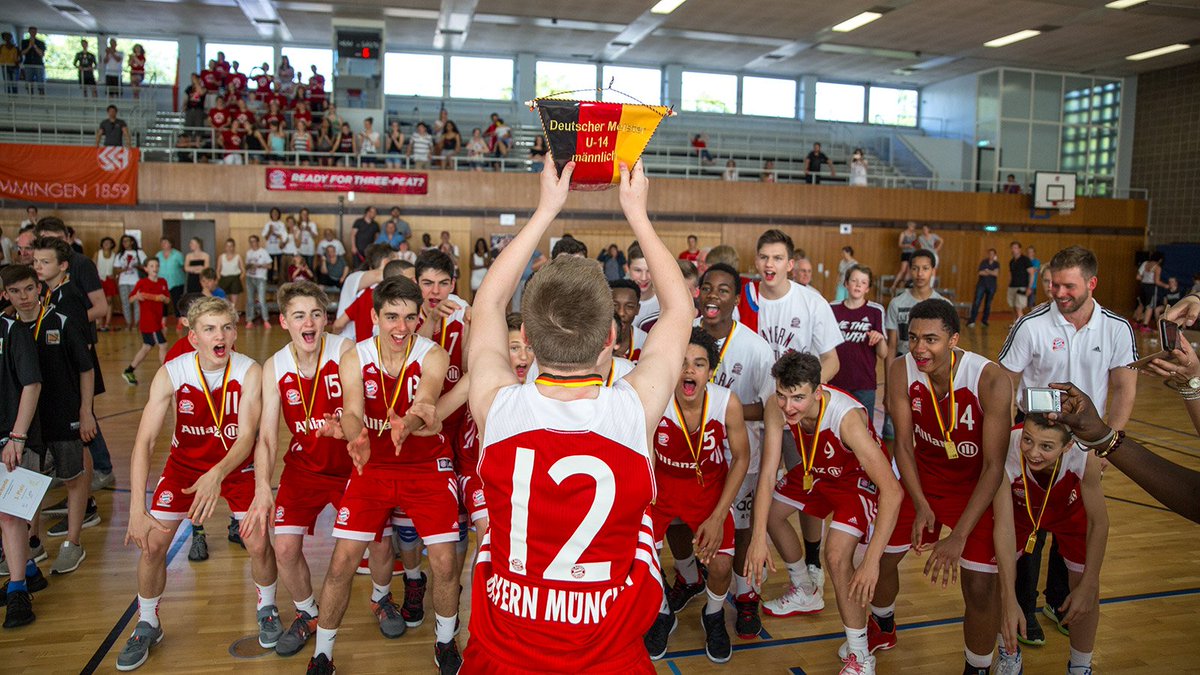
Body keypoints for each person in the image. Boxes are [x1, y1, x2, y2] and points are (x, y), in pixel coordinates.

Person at [459, 158, 691, 674]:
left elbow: (488, 302)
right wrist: (637, 212)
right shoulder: (633, 411)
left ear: (528, 343)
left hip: (502, 651)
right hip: (608, 653)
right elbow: (679, 312)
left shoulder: (498, 407)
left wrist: (546, 209)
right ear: (612, 339)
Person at [304, 276, 459, 674]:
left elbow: (426, 398)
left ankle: (445, 643)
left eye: (410, 317)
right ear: (373, 317)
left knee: (443, 562)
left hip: (424, 465)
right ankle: (323, 653)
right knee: (342, 562)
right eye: (391, 316)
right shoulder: (355, 356)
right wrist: (357, 437)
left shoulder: (433, 354)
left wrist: (405, 422)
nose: (401, 327)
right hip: (373, 463)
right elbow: (353, 409)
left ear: (420, 319)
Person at [119, 298, 273, 672]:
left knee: (258, 539)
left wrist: (216, 474)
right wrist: (135, 509)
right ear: (193, 337)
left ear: (235, 333)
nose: (220, 336)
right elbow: (144, 443)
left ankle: (267, 607)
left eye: (226, 328)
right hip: (184, 468)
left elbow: (246, 437)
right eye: (210, 329)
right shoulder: (173, 372)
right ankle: (148, 622)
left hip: (234, 468)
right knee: (153, 544)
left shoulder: (249, 372)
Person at [872, 299, 1022, 674]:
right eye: (913, 338)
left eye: (931, 339)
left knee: (979, 589)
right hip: (920, 478)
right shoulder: (900, 369)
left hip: (976, 488)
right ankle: (883, 624)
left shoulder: (990, 380)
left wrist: (959, 536)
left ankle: (977, 667)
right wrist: (921, 503)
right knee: (877, 558)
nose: (919, 348)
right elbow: (903, 445)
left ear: (953, 339)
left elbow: (992, 467)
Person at [997, 245, 1135, 644]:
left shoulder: (1116, 328)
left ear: (1092, 283)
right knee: (1031, 525)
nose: (1058, 292)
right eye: (1054, 284)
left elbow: (1125, 387)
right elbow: (1006, 380)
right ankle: (1023, 608)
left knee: (1073, 524)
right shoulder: (1031, 324)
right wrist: (1010, 436)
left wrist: (1111, 443)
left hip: (1087, 441)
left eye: (1068, 285)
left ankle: (1061, 601)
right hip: (1035, 437)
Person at [748, 352, 902, 675]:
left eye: (798, 398)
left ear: (818, 392)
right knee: (772, 516)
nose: (788, 406)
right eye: (782, 395)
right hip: (816, 470)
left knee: (835, 556)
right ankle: (805, 589)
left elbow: (892, 490)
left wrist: (872, 561)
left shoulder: (845, 419)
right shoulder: (778, 409)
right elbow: (766, 476)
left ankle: (860, 658)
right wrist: (757, 538)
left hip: (854, 480)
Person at [238, 282, 354, 657]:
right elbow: (267, 439)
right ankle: (307, 613)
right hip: (304, 469)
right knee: (284, 548)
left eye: (316, 314)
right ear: (284, 321)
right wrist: (261, 491)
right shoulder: (275, 366)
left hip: (351, 466)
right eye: (299, 315)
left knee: (379, 543)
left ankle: (382, 598)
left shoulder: (344, 350)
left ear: (325, 320)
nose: (309, 322)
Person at [643, 328, 749, 663]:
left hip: (708, 489)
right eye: (683, 363)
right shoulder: (655, 397)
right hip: (662, 486)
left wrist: (718, 516)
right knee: (640, 557)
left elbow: (742, 457)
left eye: (699, 364)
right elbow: (644, 453)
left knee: (719, 565)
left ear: (710, 370)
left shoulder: (725, 402)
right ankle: (662, 613)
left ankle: (714, 615)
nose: (690, 370)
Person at [691, 262, 776, 638]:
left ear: (735, 297)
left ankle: (745, 597)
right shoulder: (686, 336)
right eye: (707, 287)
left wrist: (728, 410)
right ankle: (694, 578)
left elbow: (771, 405)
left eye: (723, 290)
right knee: (687, 520)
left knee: (741, 528)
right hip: (696, 455)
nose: (713, 296)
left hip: (743, 455)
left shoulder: (755, 347)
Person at [996, 414, 1108, 674]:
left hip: (1070, 509)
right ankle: (1008, 653)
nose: (1033, 453)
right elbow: (1003, 526)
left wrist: (1089, 584)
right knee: (996, 579)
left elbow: (1099, 524)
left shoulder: (1083, 452)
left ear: (1067, 446)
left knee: (1085, 587)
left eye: (1046, 446)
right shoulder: (1006, 445)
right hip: (1019, 509)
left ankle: (1080, 667)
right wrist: (1009, 598)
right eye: (1028, 440)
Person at [4, 263, 96, 574]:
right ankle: (32, 541)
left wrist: (85, 412)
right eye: (15, 291)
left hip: (64, 415)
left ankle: (73, 541)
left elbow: (86, 368)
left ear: (40, 288)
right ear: (6, 294)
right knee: (31, 482)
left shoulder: (63, 322)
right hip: (29, 422)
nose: (24, 297)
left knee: (73, 476)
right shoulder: (9, 329)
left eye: (29, 288)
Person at [0, 283, 43, 628]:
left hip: (11, 438)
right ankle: (28, 569)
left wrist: (17, 436)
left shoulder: (13, 332)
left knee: (10, 515)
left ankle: (17, 590)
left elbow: (31, 384)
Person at [830, 265, 888, 420]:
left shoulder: (876, 310)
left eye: (863, 282)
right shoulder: (832, 308)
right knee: (835, 425)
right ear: (846, 284)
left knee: (864, 428)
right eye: (854, 281)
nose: (857, 285)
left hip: (864, 383)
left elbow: (883, 353)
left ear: (868, 288)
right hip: (836, 380)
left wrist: (880, 338)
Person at [122, 258, 170, 384]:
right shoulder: (142, 283)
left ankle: (129, 370)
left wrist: (163, 298)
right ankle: (167, 374)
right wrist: (136, 296)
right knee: (163, 345)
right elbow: (130, 298)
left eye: (157, 265)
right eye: (152, 265)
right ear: (146, 269)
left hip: (157, 320)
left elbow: (168, 300)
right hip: (149, 322)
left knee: (146, 347)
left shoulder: (162, 282)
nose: (155, 268)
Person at [113, 235, 146, 331]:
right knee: (125, 303)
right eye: (123, 241)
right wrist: (123, 269)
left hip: (136, 281)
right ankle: (128, 323)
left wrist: (137, 266)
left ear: (132, 242)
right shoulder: (120, 254)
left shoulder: (139, 252)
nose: (125, 243)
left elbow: (146, 266)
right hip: (123, 281)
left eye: (127, 241)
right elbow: (116, 270)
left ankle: (136, 323)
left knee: (137, 302)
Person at [967, 249, 1000, 328]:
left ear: (995, 255)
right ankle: (972, 320)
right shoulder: (984, 262)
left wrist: (987, 271)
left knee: (988, 304)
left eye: (992, 254)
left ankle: (984, 321)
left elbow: (996, 274)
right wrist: (991, 272)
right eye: (990, 253)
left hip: (992, 286)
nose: (991, 255)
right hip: (981, 285)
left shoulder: (996, 264)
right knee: (977, 302)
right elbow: (980, 272)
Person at [244, 235, 272, 329]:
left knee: (262, 299)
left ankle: (266, 320)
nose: (252, 243)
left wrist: (259, 266)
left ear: (257, 242)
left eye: (254, 241)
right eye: (250, 242)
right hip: (250, 277)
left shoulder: (263, 252)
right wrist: (249, 266)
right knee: (250, 300)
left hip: (260, 278)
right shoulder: (249, 253)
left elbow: (269, 266)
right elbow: (246, 266)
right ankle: (249, 320)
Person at [1135, 252, 1167, 329]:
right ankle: (1145, 326)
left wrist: (1145, 279)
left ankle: (1137, 322)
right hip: (1151, 287)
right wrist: (1165, 285)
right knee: (1150, 306)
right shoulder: (1157, 267)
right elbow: (1156, 281)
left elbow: (1138, 277)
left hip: (1143, 286)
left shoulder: (1145, 263)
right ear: (1160, 260)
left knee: (1141, 305)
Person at [157, 238, 185, 321]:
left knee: (177, 301)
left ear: (170, 244)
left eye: (165, 242)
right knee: (162, 301)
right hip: (162, 282)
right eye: (162, 243)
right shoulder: (158, 255)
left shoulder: (177, 254)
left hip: (176, 281)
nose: (163, 244)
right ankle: (163, 320)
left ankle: (179, 319)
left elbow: (183, 266)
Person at [1006, 241, 1036, 321]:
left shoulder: (1025, 260)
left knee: (1019, 308)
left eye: (1015, 248)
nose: (1013, 250)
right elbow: (1011, 274)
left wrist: (1029, 288)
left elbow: (1032, 273)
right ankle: (1014, 325)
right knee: (1013, 308)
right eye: (1012, 248)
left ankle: (1020, 327)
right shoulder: (1012, 261)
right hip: (1012, 286)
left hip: (1022, 287)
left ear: (1019, 249)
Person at [889, 222, 920, 293]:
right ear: (909, 226)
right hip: (905, 253)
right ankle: (894, 284)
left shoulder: (914, 234)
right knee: (903, 270)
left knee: (909, 271)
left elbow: (915, 243)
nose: (913, 228)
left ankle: (904, 286)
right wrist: (907, 245)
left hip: (912, 253)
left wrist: (916, 244)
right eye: (912, 227)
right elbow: (900, 244)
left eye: (914, 227)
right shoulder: (903, 234)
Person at [96, 236, 118, 331]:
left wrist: (115, 275)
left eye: (109, 243)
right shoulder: (98, 253)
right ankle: (100, 323)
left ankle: (107, 323)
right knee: (100, 302)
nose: (106, 244)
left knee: (109, 301)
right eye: (105, 242)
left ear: (112, 244)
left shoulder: (115, 255)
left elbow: (117, 268)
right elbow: (92, 266)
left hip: (109, 280)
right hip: (99, 279)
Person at [216, 239, 243, 311]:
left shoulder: (238, 256)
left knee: (233, 304)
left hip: (235, 279)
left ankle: (233, 316)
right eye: (227, 246)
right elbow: (218, 269)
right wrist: (219, 278)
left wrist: (240, 278)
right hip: (224, 278)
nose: (229, 248)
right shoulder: (221, 257)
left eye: (231, 246)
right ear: (225, 247)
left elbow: (243, 270)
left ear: (234, 247)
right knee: (225, 301)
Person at [19, 27, 46, 95]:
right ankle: (30, 97)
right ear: (29, 32)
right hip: (28, 64)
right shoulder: (24, 42)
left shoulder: (41, 42)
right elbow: (22, 53)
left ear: (36, 32)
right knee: (28, 82)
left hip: (38, 64)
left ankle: (41, 98)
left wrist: (34, 46)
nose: (33, 33)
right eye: (31, 31)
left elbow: (41, 54)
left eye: (34, 31)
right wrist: (29, 46)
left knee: (40, 82)